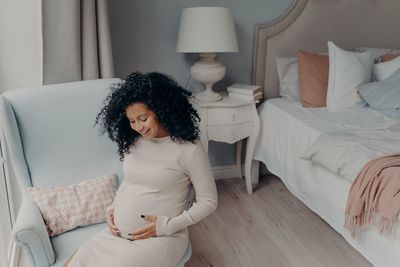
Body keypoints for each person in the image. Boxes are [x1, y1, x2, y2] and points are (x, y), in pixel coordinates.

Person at [64, 72, 218, 267]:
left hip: (161, 239)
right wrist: (112, 209)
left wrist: (166, 226)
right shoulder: (134, 142)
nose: (138, 127)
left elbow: (208, 201)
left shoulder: (189, 149)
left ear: (160, 110)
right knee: (74, 261)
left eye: (143, 118)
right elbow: (130, 182)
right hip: (116, 234)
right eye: (132, 121)